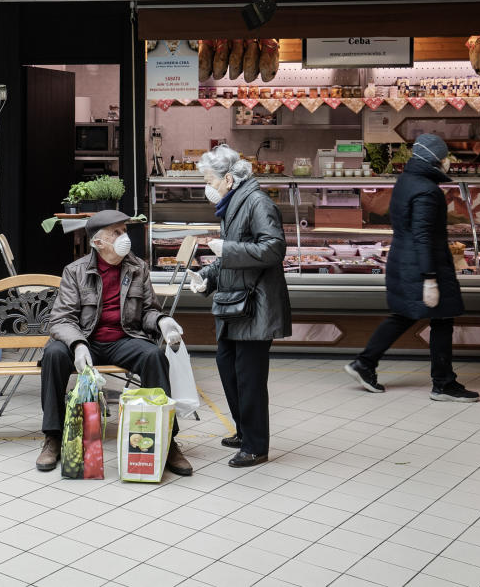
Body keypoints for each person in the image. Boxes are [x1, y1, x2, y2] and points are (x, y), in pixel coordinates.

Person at [36, 210, 192, 476]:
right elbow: (61, 319)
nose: (124, 237)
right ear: (98, 242)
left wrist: (163, 321)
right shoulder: (76, 271)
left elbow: (148, 311)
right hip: (87, 339)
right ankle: (53, 436)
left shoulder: (138, 267)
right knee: (53, 353)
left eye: (125, 231)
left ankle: (167, 440)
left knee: (154, 356)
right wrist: (78, 344)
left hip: (124, 338)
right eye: (117, 233)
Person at [345, 133, 480, 402]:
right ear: (435, 160)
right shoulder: (427, 191)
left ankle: (365, 363)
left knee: (404, 314)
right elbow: (423, 235)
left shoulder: (406, 181)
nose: (447, 164)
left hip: (405, 259)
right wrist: (430, 277)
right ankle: (443, 383)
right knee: (441, 319)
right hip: (424, 264)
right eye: (445, 159)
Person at [187, 145, 290, 468]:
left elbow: (273, 248)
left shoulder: (257, 202)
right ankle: (244, 431)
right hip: (234, 304)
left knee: (249, 377)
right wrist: (206, 275)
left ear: (228, 179)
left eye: (209, 180)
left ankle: (256, 445)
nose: (208, 187)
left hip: (255, 305)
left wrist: (227, 249)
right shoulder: (234, 204)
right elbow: (231, 258)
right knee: (229, 368)